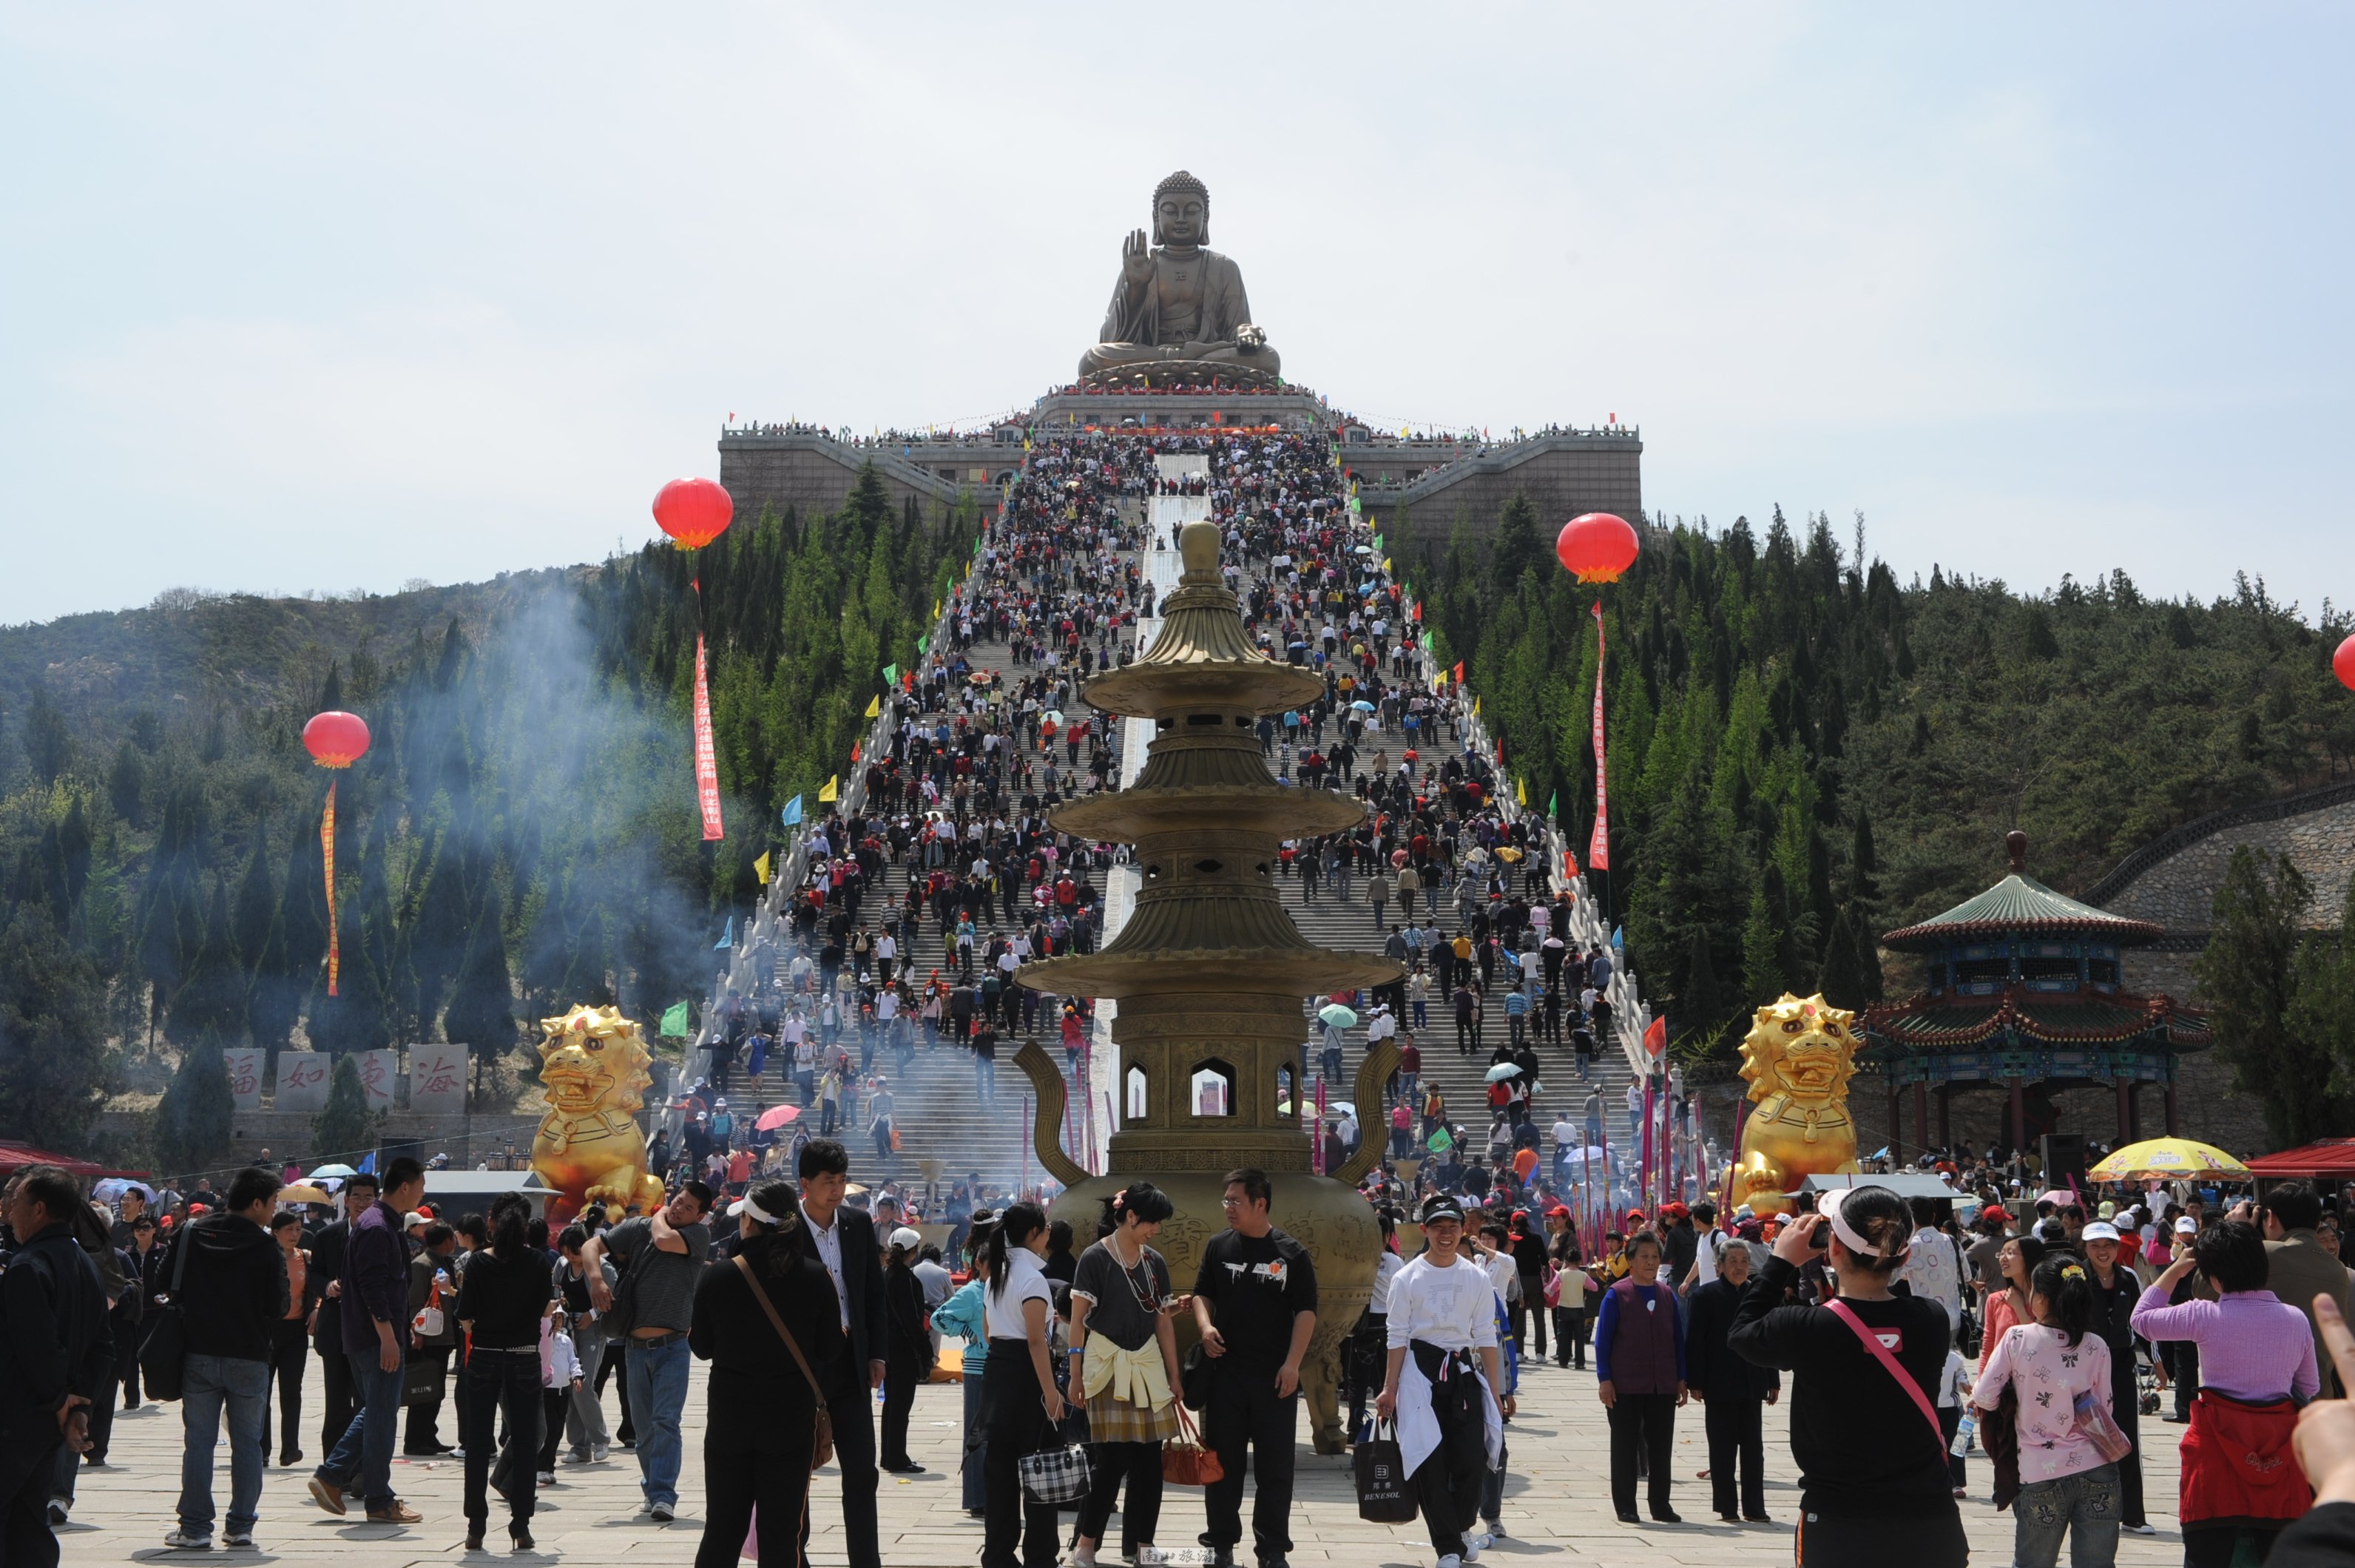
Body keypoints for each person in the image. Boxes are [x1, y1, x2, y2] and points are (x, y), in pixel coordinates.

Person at [1729, 1186, 1968, 1568]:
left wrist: (1780, 1261)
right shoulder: (1931, 1321)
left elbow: (1742, 1334)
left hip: (1839, 1517)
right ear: (1904, 1253)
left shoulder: (1808, 1328)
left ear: (1833, 1248)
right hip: (1928, 1518)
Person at [2132, 1218, 2319, 1567]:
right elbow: (2309, 1387)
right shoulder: (2295, 1319)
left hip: (2215, 1458)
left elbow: (2141, 1319)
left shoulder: (2204, 1314)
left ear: (2215, 1276)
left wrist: (2177, 1268)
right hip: (2277, 1458)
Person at [689, 1180, 843, 1568]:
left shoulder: (719, 1276)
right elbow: (830, 1349)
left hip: (730, 1418)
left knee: (722, 1530)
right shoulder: (815, 1276)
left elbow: (701, 1347)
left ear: (749, 1222)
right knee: (781, 1534)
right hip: (790, 1420)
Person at [1374, 1194, 1510, 1568]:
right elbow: (1397, 1335)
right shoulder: (1407, 1277)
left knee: (1472, 1457)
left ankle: (1463, 1525)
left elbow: (1486, 1335)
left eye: (1452, 1227)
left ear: (1463, 1229)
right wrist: (1390, 1388)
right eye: (1438, 1227)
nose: (1446, 1234)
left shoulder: (1476, 1277)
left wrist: (1496, 1392)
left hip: (1462, 1374)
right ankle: (1447, 1547)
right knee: (1428, 1462)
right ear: (1426, 1230)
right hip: (1420, 1374)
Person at [1192, 1167, 1319, 1568]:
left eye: (1236, 1201)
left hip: (1274, 1379)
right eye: (1226, 1200)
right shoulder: (1218, 1247)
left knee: (1275, 1470)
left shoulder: (1291, 1253)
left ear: (1260, 1204)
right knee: (1222, 1467)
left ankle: (1272, 1550)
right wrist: (1206, 1326)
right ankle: (1221, 1545)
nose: (1228, 1207)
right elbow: (1202, 1294)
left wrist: (1292, 1365)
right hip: (1225, 1377)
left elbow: (1306, 1312)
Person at [165, 1167, 287, 1550]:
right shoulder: (267, 1247)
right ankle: (240, 1526)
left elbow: (164, 1282)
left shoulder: (191, 1232)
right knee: (248, 1443)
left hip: (199, 1352)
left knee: (199, 1442)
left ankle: (196, 1528)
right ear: (256, 1203)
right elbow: (278, 1307)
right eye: (272, 1203)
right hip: (249, 1357)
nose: (274, 1211)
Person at [1975, 1253, 2121, 1568]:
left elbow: (1984, 1396)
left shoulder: (2018, 1338)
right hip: (2097, 1464)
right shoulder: (2096, 1344)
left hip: (2041, 1469)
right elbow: (2105, 1406)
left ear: (2039, 1298)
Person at [582, 1179, 715, 1522]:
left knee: (666, 1421)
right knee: (643, 1429)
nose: (679, 1208)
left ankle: (663, 1495)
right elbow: (590, 1248)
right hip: (635, 1347)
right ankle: (652, 1488)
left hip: (673, 1347)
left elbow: (662, 1238)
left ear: (700, 1217)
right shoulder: (637, 1229)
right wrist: (597, 1280)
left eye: (688, 1208)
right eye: (678, 1201)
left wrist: (655, 1217)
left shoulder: (696, 1237)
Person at [0, 1166, 112, 1568]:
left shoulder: (28, 1266)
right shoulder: (85, 1264)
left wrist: (63, 1401)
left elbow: (38, 1348)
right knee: (28, 1525)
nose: (9, 1212)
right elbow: (103, 1347)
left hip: (17, 1417)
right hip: (48, 1423)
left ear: (39, 1210)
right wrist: (80, 1406)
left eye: (16, 1204)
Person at [1069, 1183, 1183, 1568]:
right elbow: (1077, 1323)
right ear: (1131, 1216)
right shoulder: (1095, 1258)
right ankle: (1086, 1543)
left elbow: (1163, 1321)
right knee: (1112, 1461)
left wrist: (1174, 1374)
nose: (1157, 1230)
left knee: (1150, 1464)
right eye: (1153, 1222)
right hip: (1107, 1365)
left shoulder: (1154, 1262)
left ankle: (1142, 1546)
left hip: (1147, 1366)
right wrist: (1074, 1376)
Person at [309, 1156, 427, 1527]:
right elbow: (373, 1288)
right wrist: (388, 1337)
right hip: (375, 1339)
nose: (423, 1192)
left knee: (376, 1413)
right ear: (405, 1187)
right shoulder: (377, 1227)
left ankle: (367, 1492)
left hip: (368, 1336)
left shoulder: (377, 1223)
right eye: (421, 1185)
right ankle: (346, 1483)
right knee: (379, 1414)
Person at [794, 1138, 889, 1568]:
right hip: (802, 1370)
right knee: (798, 1473)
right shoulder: (785, 1231)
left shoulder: (857, 1224)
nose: (836, 1190)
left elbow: (872, 1293)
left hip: (851, 1364)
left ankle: (865, 1560)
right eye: (828, 1182)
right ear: (805, 1184)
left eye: (841, 1181)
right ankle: (796, 1553)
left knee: (862, 1472)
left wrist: (877, 1354)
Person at [453, 1192, 556, 1551]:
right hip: (524, 1358)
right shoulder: (539, 1263)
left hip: (483, 1357)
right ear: (526, 1227)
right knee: (526, 1443)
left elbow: (465, 1313)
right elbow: (545, 1310)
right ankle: (521, 1524)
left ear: (494, 1225)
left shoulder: (478, 1263)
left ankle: (476, 1526)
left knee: (479, 1445)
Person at [979, 1203, 1066, 1568]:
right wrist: (1050, 1391)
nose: (1047, 1236)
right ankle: (1041, 1556)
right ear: (1034, 1233)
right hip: (1028, 1376)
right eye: (1045, 1230)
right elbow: (1035, 1341)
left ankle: (998, 1555)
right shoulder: (1032, 1279)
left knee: (1000, 1472)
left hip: (998, 1373)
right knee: (1041, 1471)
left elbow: (988, 1331)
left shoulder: (995, 1273)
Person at [1683, 1235, 1777, 1524]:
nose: (1739, 1267)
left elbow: (1768, 1338)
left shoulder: (1758, 1295)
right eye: (1733, 1261)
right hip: (1719, 1382)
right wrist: (1694, 1380)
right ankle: (1727, 1507)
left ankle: (1754, 1507)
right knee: (1722, 1449)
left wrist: (1772, 1379)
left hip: (1752, 1381)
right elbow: (1695, 1340)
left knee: (1754, 1450)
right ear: (1720, 1265)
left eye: (1744, 1261)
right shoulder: (1704, 1296)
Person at [1592, 1229, 1684, 1524]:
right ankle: (1626, 1506)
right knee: (1624, 1446)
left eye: (1655, 1256)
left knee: (1661, 1447)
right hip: (1625, 1385)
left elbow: (1677, 1339)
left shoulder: (1667, 1294)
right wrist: (1604, 1378)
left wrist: (1681, 1377)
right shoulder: (1617, 1294)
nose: (1650, 1261)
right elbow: (1603, 1340)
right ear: (1630, 1260)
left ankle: (1661, 1505)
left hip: (1662, 1385)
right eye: (1643, 1256)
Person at [2078, 1220, 2153, 1533]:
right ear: (2085, 1248)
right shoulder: (2075, 1277)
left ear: (2117, 1247)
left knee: (2125, 1435)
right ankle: (2083, 1510)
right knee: (2082, 1437)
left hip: (2121, 1364)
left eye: (2108, 1245)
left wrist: (2157, 1362)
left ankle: (2133, 1514)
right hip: (2082, 1366)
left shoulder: (2128, 1278)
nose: (2102, 1251)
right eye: (2095, 1246)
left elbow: (2141, 1322)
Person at [304, 1173, 375, 1461]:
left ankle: (361, 1469)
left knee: (366, 1403)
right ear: (346, 1201)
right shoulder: (327, 1236)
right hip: (335, 1330)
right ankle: (333, 1470)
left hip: (370, 1332)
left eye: (368, 1197)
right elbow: (314, 1275)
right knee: (336, 1404)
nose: (361, 1202)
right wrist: (328, 1287)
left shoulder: (384, 1234)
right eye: (356, 1197)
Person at [2262, 1181, 2354, 1399]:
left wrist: (2239, 1232)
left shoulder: (2262, 1255)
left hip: (2264, 1397)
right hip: (2319, 1394)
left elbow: (2203, 1288)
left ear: (2271, 1217)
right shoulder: (2339, 1270)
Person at [930, 1229, 996, 1517]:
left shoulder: (1003, 1291)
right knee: (976, 1434)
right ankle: (976, 1498)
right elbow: (939, 1318)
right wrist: (967, 1331)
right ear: (979, 1265)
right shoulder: (972, 1292)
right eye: (990, 1264)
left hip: (1000, 1367)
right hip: (976, 1368)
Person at [881, 1226, 931, 1473]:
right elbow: (913, 1319)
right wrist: (925, 1347)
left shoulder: (885, 1274)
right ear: (913, 1252)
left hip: (886, 1347)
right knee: (901, 1406)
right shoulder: (908, 1279)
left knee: (891, 1404)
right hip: (904, 1349)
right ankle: (897, 1458)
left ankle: (888, 1455)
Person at [263, 1212, 310, 1467]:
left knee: (292, 1392)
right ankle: (263, 1449)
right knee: (263, 1392)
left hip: (295, 1332)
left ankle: (290, 1448)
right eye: (289, 1229)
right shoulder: (264, 1257)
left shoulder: (305, 1258)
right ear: (275, 1232)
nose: (294, 1234)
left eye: (298, 1229)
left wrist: (316, 1308)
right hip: (268, 1331)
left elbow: (312, 1291)